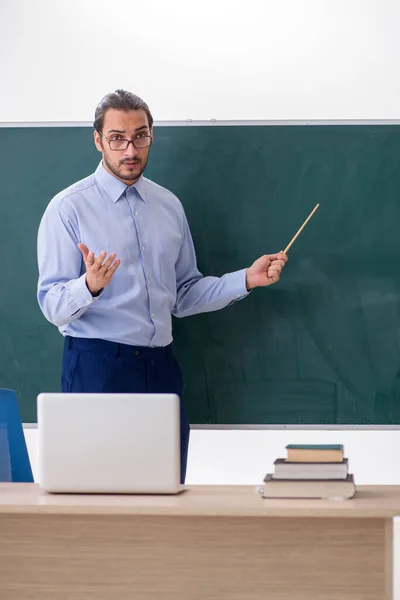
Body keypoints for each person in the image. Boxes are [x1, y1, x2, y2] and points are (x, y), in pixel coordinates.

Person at [37, 89, 287, 483]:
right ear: (98, 140)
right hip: (99, 366)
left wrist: (246, 279)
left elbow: (184, 294)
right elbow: (52, 305)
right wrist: (90, 285)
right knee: (100, 496)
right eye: (117, 137)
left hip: (161, 367)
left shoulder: (168, 206)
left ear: (152, 136)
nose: (130, 149)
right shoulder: (68, 208)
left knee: (166, 492)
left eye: (141, 135)